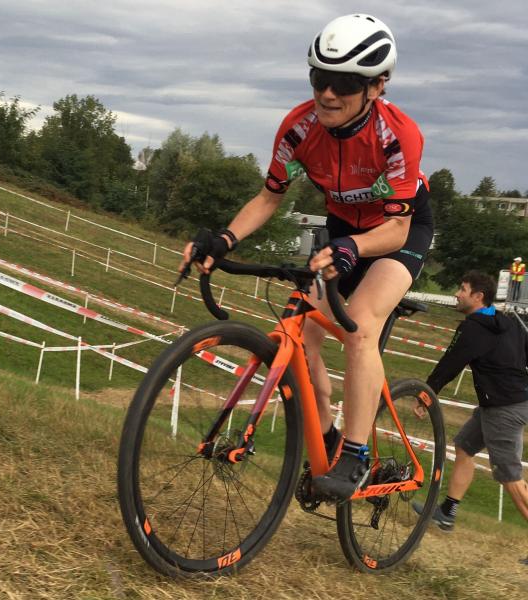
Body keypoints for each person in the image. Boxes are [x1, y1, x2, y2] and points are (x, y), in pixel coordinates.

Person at [180, 14, 434, 500]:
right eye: (320, 78)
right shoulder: (298, 129)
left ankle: (356, 454)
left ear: (378, 86)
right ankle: (329, 437)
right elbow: (269, 197)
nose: (328, 94)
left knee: (361, 324)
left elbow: (397, 228)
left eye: (345, 83)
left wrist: (354, 247)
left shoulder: (397, 134)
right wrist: (226, 239)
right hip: (343, 230)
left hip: (397, 233)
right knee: (302, 329)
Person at [411, 271, 528, 565]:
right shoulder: (509, 322)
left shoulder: (474, 328)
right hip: (504, 403)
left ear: (478, 296)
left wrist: (426, 394)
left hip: (504, 408)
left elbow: (450, 364)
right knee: (464, 446)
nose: (456, 294)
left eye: (462, 289)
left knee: (510, 476)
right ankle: (447, 512)